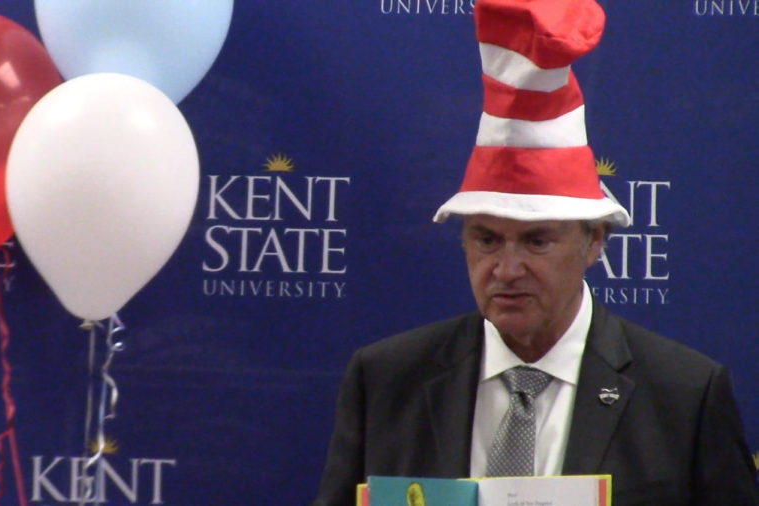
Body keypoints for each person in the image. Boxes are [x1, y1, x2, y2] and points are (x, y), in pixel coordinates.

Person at [311, 1, 759, 505]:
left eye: (537, 240)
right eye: (486, 239)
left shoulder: (684, 394)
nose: (505, 269)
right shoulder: (388, 380)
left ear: (593, 242)